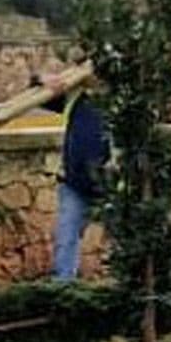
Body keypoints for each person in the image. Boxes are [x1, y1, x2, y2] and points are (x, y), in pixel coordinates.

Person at [34, 70, 108, 281]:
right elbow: (38, 96)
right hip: (75, 184)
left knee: (130, 239)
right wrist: (41, 79)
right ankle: (63, 289)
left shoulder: (121, 100)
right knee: (66, 238)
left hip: (113, 185)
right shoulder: (75, 97)